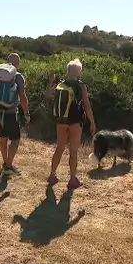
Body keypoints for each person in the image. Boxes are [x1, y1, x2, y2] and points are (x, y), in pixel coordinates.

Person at [45, 58, 96, 189]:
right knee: (73, 152)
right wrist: (92, 122)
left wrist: (50, 82)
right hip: (75, 123)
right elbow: (86, 105)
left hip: (61, 122)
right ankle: (72, 180)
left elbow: (48, 97)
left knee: (59, 149)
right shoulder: (81, 85)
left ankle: (52, 175)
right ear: (79, 71)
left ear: (68, 70)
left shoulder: (60, 84)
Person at [0, 53, 30, 177]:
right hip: (11, 112)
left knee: (3, 137)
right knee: (15, 139)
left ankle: (6, 162)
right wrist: (27, 113)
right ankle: (8, 165)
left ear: (7, 61)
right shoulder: (18, 77)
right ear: (17, 63)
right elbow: (22, 96)